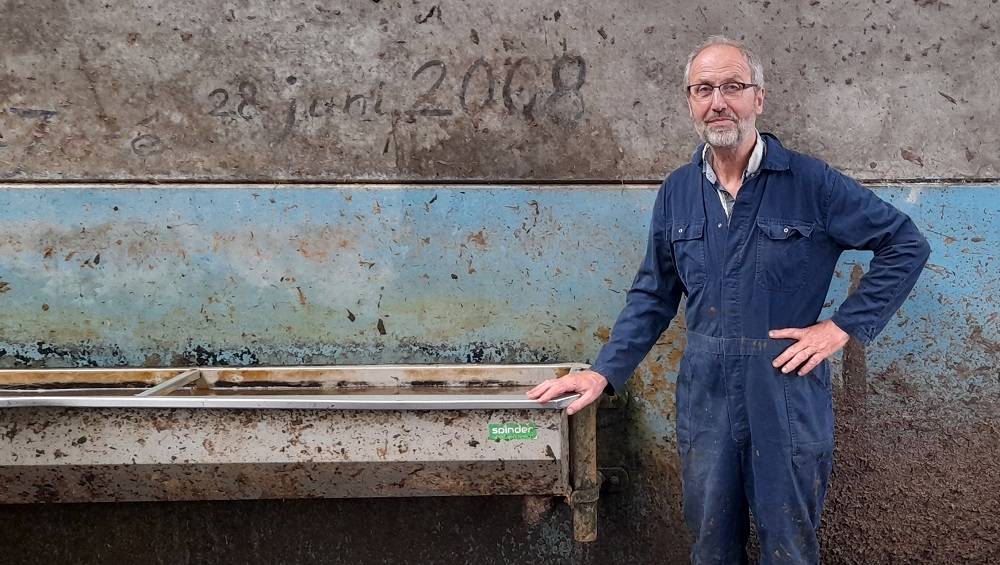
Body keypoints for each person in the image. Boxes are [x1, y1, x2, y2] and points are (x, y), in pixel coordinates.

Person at [528, 36, 930, 563]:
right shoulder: (677, 191)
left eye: (733, 87)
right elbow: (653, 293)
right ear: (690, 102)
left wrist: (841, 328)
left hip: (784, 387)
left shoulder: (812, 183)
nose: (718, 101)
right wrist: (603, 372)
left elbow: (904, 243)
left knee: (789, 545)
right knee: (711, 543)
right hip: (706, 393)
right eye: (703, 89)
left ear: (758, 98)